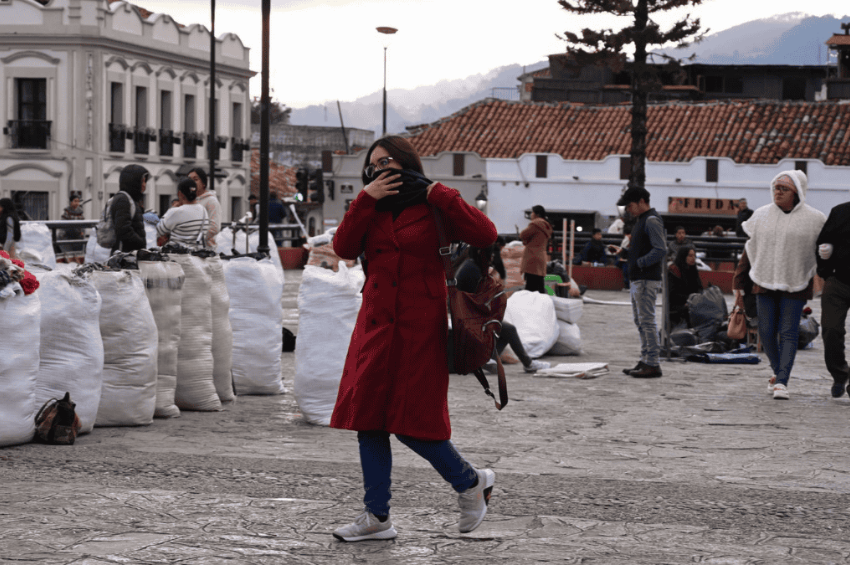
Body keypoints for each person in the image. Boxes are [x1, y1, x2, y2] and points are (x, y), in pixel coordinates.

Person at [330, 135, 499, 542]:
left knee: (413, 421)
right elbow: (343, 247)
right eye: (373, 165)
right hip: (374, 325)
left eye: (387, 161)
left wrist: (441, 194)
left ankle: (469, 482)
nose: (379, 169)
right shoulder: (370, 206)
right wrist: (364, 199)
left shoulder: (434, 202)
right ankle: (377, 516)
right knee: (368, 420)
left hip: (419, 327)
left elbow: (485, 234)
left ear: (407, 163)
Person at [733, 171, 825, 400]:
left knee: (788, 331)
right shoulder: (761, 215)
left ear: (797, 192)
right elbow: (750, 249)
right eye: (776, 187)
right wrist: (739, 281)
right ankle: (778, 371)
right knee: (765, 331)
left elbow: (823, 246)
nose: (778, 192)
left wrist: (826, 254)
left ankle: (782, 381)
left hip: (796, 282)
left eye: (784, 189)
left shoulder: (814, 219)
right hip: (764, 280)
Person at [456, 244, 550, 374]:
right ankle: (526, 363)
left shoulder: (473, 266)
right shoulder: (472, 269)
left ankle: (490, 359)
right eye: (490, 253)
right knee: (506, 328)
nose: (492, 257)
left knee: (507, 330)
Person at [617, 186, 667, 378]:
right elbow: (645, 249)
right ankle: (646, 360)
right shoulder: (643, 220)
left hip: (646, 278)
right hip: (640, 278)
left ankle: (652, 363)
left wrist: (640, 263)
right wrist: (625, 253)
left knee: (646, 321)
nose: (628, 209)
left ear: (641, 202)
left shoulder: (651, 220)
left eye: (630, 205)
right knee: (641, 321)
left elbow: (660, 249)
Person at [815, 199, 850, 398]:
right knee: (831, 329)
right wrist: (825, 268)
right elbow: (823, 240)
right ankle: (839, 374)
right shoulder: (840, 212)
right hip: (838, 281)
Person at [155, 178, 210, 248]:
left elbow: (159, 230)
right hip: (198, 253)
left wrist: (172, 208)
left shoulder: (176, 212)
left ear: (180, 194)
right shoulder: (203, 210)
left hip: (178, 254)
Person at [111, 164, 149, 253]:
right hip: (124, 254)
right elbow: (123, 229)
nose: (144, 185)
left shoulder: (131, 199)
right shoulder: (123, 199)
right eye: (142, 181)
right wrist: (141, 243)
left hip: (130, 253)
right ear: (134, 181)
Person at [667, 246, 703, 327]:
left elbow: (699, 287)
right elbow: (672, 294)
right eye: (690, 256)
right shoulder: (674, 271)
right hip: (677, 304)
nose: (693, 258)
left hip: (692, 302)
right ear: (683, 256)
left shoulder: (693, 270)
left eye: (694, 255)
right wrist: (689, 299)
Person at [520, 205, 552, 293]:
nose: (531, 214)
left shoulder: (536, 224)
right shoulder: (546, 225)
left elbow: (523, 235)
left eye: (532, 212)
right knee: (539, 285)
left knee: (530, 287)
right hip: (541, 257)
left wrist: (526, 241)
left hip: (532, 258)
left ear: (536, 214)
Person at [189, 167, 221, 249]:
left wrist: (196, 240)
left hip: (204, 250)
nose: (191, 183)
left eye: (195, 179)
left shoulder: (211, 201)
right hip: (188, 249)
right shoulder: (188, 200)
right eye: (189, 180)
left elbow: (214, 227)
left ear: (203, 183)